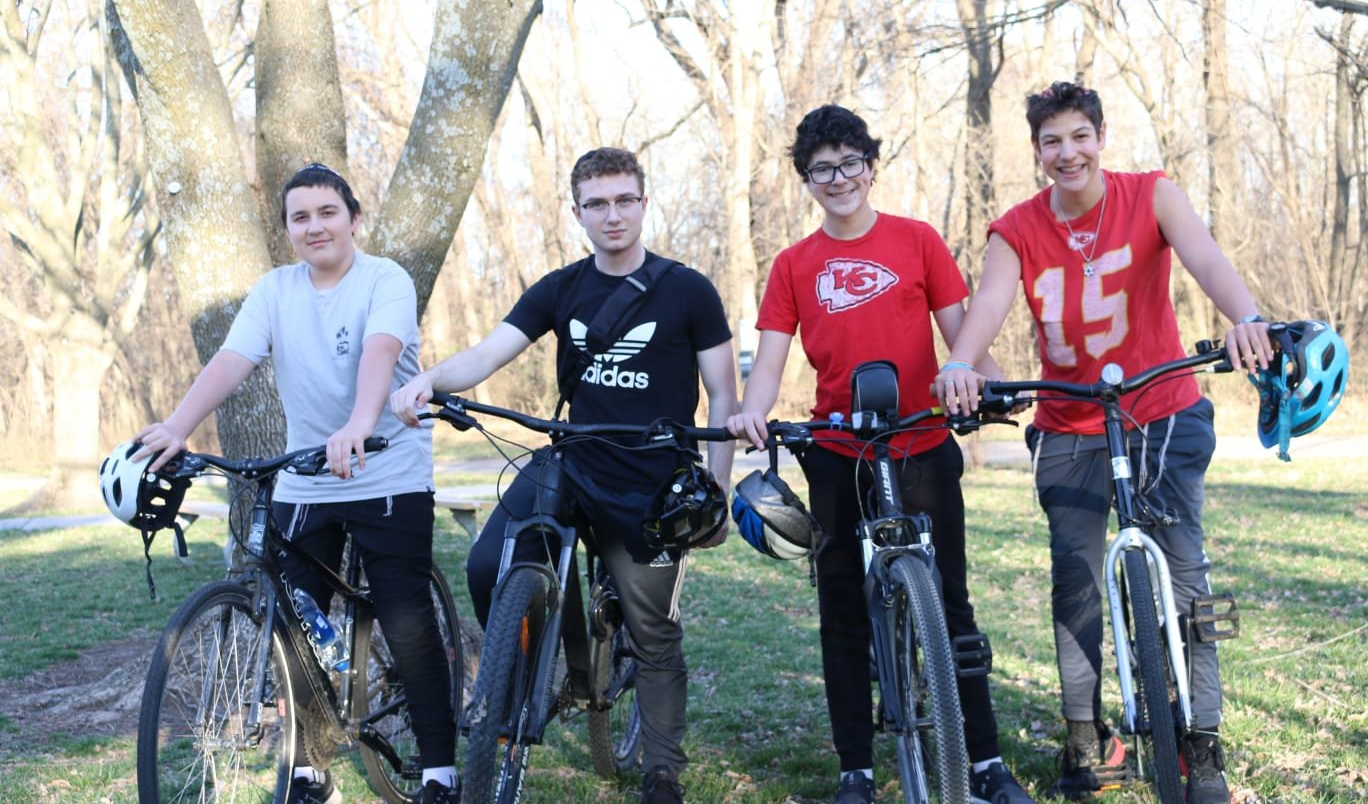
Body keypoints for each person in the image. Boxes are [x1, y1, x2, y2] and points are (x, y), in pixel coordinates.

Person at [934, 81, 1273, 804]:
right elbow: (990, 302)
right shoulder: (1014, 230)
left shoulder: (1151, 195)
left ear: (1101, 136)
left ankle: (1202, 741)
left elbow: (1207, 259)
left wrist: (1246, 317)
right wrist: (961, 362)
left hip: (1164, 411)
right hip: (1069, 422)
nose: (1068, 153)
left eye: (1079, 136)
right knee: (1076, 583)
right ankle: (1086, 737)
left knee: (1188, 579)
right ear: (1037, 151)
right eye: (1051, 141)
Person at [389, 146, 737, 804]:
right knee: (487, 564)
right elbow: (488, 354)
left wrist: (713, 493)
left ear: (644, 202)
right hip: (573, 461)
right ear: (577, 213)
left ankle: (662, 773)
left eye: (624, 200)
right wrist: (429, 380)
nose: (613, 215)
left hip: (652, 483)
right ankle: (522, 675)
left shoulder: (688, 290)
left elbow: (723, 394)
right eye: (597, 204)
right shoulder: (560, 288)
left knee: (653, 634)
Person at [727, 105, 1035, 804]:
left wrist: (992, 385)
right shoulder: (793, 265)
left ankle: (985, 762)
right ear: (807, 180)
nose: (838, 179)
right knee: (842, 609)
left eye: (850, 163)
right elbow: (770, 362)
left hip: (920, 440)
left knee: (951, 603)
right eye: (822, 169)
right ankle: (856, 770)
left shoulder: (917, 240)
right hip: (837, 450)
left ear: (871, 166)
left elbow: (962, 337)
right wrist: (751, 410)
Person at [132, 164, 458, 804]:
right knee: (295, 624)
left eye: (327, 212)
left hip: (387, 471)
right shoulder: (275, 290)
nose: (315, 227)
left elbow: (381, 351)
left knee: (404, 618)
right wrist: (177, 426)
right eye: (299, 217)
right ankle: (310, 771)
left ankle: (440, 771)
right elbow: (232, 360)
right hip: (308, 478)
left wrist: (359, 424)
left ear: (353, 219)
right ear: (286, 229)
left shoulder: (384, 279)